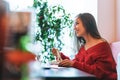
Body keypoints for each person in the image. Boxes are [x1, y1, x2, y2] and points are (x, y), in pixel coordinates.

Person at [52, 13, 117, 80]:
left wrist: (73, 64)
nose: (74, 28)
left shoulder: (102, 46)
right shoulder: (83, 47)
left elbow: (100, 72)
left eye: (77, 23)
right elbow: (75, 63)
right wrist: (60, 55)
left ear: (87, 24)